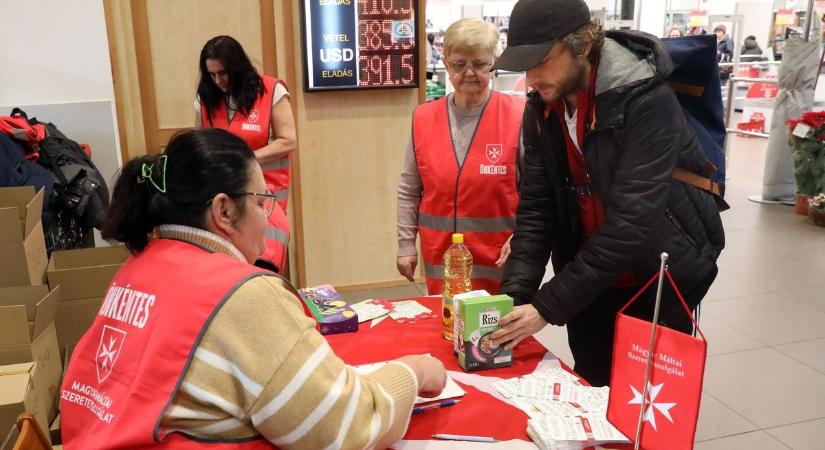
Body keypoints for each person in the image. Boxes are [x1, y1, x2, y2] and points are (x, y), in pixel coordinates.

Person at [59, 129, 447, 449]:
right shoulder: (241, 295)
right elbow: (344, 430)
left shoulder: (137, 267)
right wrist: (414, 372)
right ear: (224, 211)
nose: (270, 217)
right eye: (262, 202)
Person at [489, 0, 725, 387]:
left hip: (656, 275)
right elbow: (537, 207)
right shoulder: (543, 108)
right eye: (525, 66)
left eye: (542, 61)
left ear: (582, 44)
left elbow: (632, 224)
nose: (531, 79)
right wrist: (515, 298)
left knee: (645, 400)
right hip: (588, 277)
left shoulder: (647, 100)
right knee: (593, 385)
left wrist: (546, 306)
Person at [396, 18, 525, 295]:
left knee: (496, 322)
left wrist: (523, 237)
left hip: (501, 263)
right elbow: (409, 189)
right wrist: (405, 244)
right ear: (445, 63)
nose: (469, 73)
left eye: (479, 64)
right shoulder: (423, 118)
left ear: (493, 61)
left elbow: (537, 192)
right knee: (444, 320)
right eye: (459, 64)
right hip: (441, 261)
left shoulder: (518, 115)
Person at [195, 35, 295, 273]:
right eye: (212, 74)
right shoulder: (206, 97)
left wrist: (244, 160)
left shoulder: (271, 91)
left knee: (264, 261)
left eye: (223, 73)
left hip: (265, 196)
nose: (218, 80)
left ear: (237, 67)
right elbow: (201, 146)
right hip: (223, 200)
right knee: (230, 266)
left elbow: (288, 141)